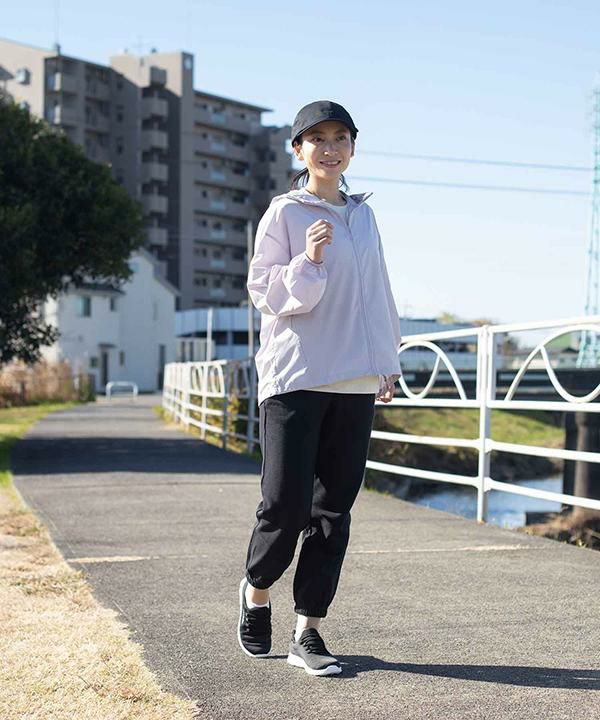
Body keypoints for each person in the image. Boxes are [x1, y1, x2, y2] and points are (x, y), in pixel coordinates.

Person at [238, 100, 403, 677]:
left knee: (333, 512)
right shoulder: (284, 213)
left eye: (340, 138)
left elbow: (377, 292)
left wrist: (386, 363)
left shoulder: (364, 216)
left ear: (352, 147)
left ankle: (308, 630)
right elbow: (266, 293)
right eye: (317, 139)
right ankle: (257, 591)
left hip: (355, 379)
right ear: (299, 150)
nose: (329, 148)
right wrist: (308, 260)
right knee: (284, 507)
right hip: (296, 377)